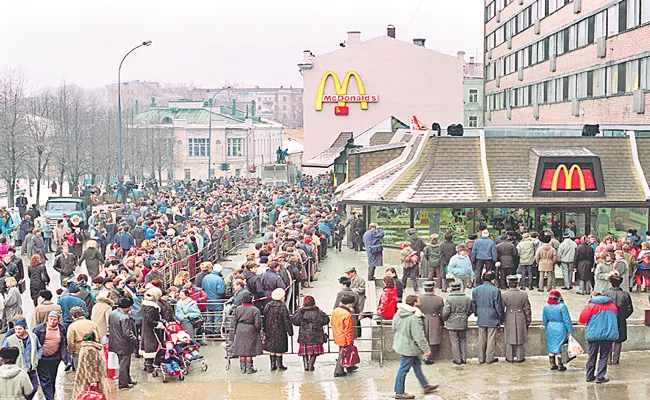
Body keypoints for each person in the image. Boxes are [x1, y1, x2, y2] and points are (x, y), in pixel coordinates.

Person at [392, 294, 439, 399]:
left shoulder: (399, 313)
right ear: (415, 303)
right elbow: (419, 336)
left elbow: (394, 327)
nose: (420, 302)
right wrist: (426, 349)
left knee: (417, 365)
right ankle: (399, 391)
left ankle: (425, 385)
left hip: (402, 343)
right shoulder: (415, 318)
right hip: (410, 347)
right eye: (418, 300)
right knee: (403, 368)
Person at [579, 291, 619, 383]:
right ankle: (600, 377)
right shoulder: (613, 306)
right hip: (608, 335)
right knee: (604, 356)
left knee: (591, 356)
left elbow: (582, 319)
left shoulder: (591, 306)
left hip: (593, 335)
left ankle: (589, 376)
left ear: (592, 297)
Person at [1, 319, 41, 400]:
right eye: (15, 329)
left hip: (31, 368)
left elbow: (39, 348)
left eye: (19, 329)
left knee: (34, 387)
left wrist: (37, 358)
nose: (17, 331)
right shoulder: (9, 340)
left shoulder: (33, 337)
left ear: (25, 328)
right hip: (18, 369)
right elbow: (3, 352)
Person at [32, 311, 67, 400]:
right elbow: (33, 343)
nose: (52, 321)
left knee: (52, 378)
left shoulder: (61, 328)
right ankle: (50, 397)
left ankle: (50, 395)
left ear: (58, 320)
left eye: (55, 320)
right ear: (47, 319)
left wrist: (65, 357)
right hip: (42, 358)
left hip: (55, 358)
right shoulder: (39, 329)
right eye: (51, 319)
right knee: (45, 380)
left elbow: (63, 343)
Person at [291, 295, 329, 371]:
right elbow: (326, 320)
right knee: (314, 352)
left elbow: (294, 321)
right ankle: (311, 365)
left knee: (304, 353)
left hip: (304, 336)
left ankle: (305, 365)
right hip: (316, 336)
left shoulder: (301, 312)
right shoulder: (318, 311)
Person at [472, 271, 502, 364]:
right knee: (491, 338)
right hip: (492, 316)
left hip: (481, 316)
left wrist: (476, 313)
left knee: (481, 338)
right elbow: (498, 306)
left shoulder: (476, 290)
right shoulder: (495, 290)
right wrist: (501, 318)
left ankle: (481, 358)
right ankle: (489, 358)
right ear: (492, 280)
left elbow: (473, 303)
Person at [109, 297, 139, 390]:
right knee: (124, 364)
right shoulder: (125, 317)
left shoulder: (113, 313)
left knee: (124, 363)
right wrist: (135, 340)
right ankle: (123, 383)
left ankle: (127, 379)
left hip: (115, 341)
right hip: (124, 344)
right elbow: (127, 333)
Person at [603, 274, 633, 365]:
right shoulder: (625, 295)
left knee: (608, 340)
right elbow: (630, 309)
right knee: (618, 341)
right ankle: (616, 359)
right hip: (620, 319)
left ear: (611, 283)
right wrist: (623, 316)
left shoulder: (606, 293)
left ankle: (608, 359)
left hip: (608, 319)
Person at [71, 332, 111, 400]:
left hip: (85, 379)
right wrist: (93, 382)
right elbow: (90, 367)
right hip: (91, 381)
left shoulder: (85, 347)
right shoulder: (90, 349)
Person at [501, 275, 532, 362]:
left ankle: (509, 357)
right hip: (520, 315)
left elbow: (501, 308)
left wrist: (502, 319)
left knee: (509, 337)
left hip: (509, 315)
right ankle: (520, 357)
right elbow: (527, 309)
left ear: (508, 284)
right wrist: (528, 319)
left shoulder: (504, 295)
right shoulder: (523, 294)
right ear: (517, 284)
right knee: (520, 337)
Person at [231, 292, 263, 374]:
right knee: (249, 350)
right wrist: (257, 331)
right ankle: (249, 369)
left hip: (240, 329)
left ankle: (242, 368)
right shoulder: (255, 310)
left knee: (241, 350)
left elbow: (234, 321)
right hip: (251, 329)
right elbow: (258, 323)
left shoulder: (237, 309)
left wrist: (235, 330)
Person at [542, 290, 573, 371]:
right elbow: (567, 320)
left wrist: (547, 327)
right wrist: (570, 331)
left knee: (551, 344)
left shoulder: (546, 306)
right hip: (560, 327)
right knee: (560, 346)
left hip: (550, 327)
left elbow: (544, 319)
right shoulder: (562, 306)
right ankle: (560, 365)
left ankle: (552, 364)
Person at [262, 288, 293, 371]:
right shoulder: (282, 307)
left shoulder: (268, 306)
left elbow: (264, 318)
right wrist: (290, 331)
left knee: (272, 348)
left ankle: (272, 364)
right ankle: (280, 364)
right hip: (280, 330)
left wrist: (264, 329)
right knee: (279, 348)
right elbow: (286, 320)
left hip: (269, 330)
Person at [443, 281, 473, 365]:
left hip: (452, 323)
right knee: (463, 340)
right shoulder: (467, 298)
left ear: (452, 289)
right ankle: (464, 359)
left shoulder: (449, 299)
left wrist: (445, 319)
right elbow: (471, 310)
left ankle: (457, 359)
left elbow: (445, 312)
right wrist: (465, 316)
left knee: (454, 341)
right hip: (463, 321)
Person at [418, 281, 444, 364]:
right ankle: (432, 356)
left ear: (424, 289)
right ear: (433, 289)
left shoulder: (419, 298)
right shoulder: (439, 299)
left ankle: (424, 355)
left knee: (423, 338)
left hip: (422, 318)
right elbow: (442, 312)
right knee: (434, 339)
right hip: (434, 319)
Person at [140, 287, 165, 372]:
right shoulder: (152, 307)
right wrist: (158, 324)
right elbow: (149, 320)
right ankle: (149, 366)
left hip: (145, 329)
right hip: (152, 330)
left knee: (147, 346)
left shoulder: (145, 304)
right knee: (151, 347)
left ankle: (146, 364)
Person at [332, 294, 356, 377]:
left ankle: (348, 366)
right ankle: (338, 371)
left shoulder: (336, 311)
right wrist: (350, 341)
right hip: (344, 337)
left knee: (341, 352)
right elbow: (348, 329)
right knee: (342, 354)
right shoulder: (347, 314)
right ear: (350, 304)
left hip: (337, 334)